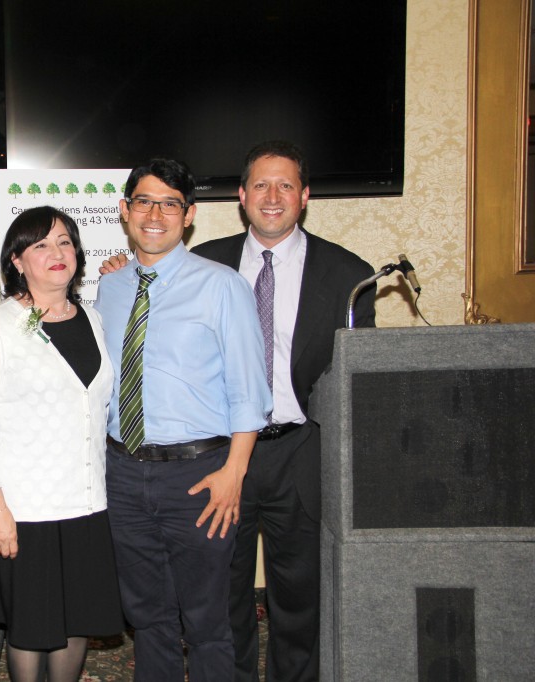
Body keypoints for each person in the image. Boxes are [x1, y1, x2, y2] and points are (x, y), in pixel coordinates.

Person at [192, 141, 376, 682]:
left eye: (286, 185)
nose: (273, 197)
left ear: (305, 197)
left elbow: (357, 382)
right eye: (262, 186)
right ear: (242, 196)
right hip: (222, 454)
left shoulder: (349, 275)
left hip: (302, 452)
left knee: (299, 597)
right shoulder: (203, 265)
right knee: (222, 594)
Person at [94, 157, 272, 681]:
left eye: (169, 203)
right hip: (123, 475)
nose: (155, 214)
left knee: (208, 622)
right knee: (147, 617)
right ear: (125, 211)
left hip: (199, 477)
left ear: (188, 215)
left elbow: (250, 393)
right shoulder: (112, 286)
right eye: (144, 201)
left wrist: (233, 474)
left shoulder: (222, 287)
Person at [0, 206, 123, 682]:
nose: (57, 253)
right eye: (42, 245)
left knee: (75, 626)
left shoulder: (91, 319)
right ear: (17, 261)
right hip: (24, 514)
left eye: (66, 242)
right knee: (31, 633)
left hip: (86, 506)